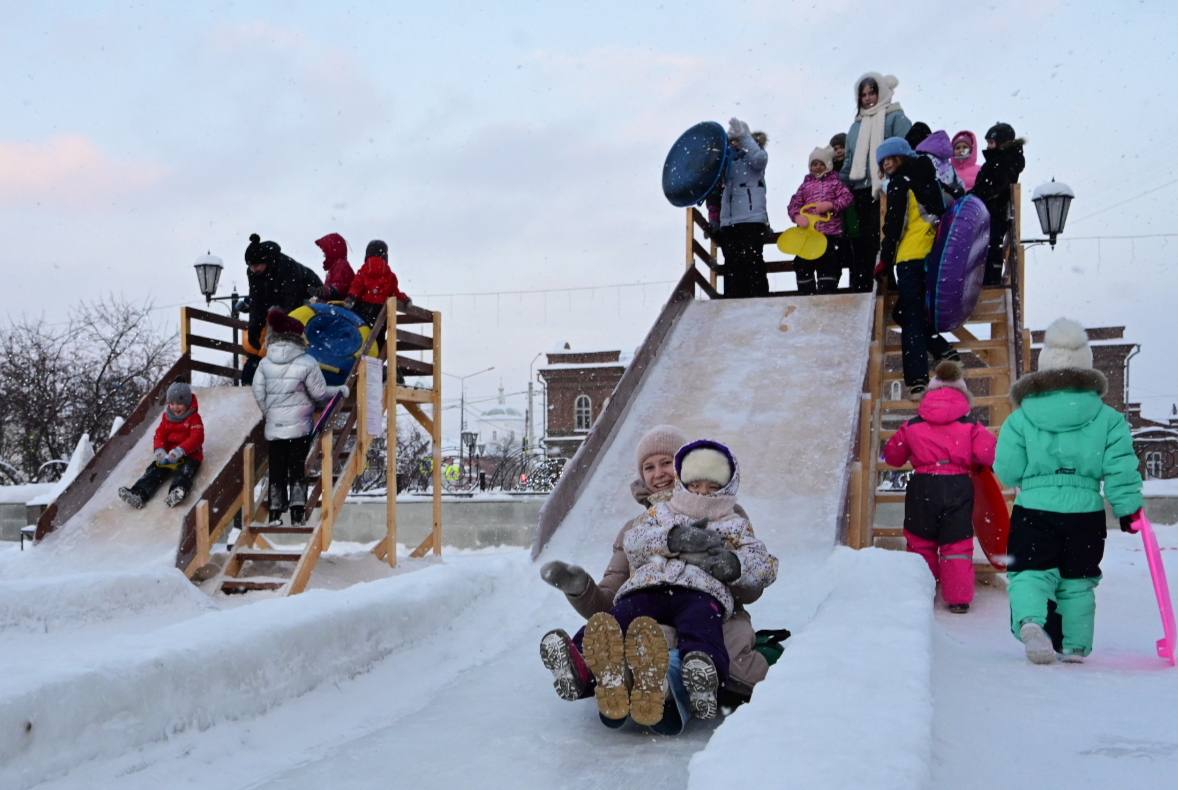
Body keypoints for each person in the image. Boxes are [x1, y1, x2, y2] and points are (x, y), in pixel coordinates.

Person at [538, 426, 779, 730]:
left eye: (666, 463)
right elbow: (612, 595)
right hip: (649, 602)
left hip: (707, 604)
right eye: (648, 467)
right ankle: (588, 670)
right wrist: (580, 588)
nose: (658, 474)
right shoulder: (645, 523)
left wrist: (730, 566)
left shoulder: (728, 515)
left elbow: (755, 580)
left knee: (693, 635)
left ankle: (675, 688)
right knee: (623, 626)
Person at [994, 318, 1143, 664]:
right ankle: (1074, 645)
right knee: (1078, 579)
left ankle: (1032, 622)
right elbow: (1121, 467)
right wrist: (1127, 508)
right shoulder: (1108, 418)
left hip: (1034, 509)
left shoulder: (1021, 418)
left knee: (1030, 571)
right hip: (1085, 513)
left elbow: (1008, 470)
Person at [882, 361, 996, 612]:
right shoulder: (971, 425)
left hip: (923, 485)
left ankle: (922, 590)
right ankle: (958, 599)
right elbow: (989, 455)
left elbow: (893, 456)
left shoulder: (912, 425)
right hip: (958, 484)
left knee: (920, 540)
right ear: (962, 395)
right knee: (956, 544)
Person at [251, 308, 348, 526]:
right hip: (300, 427)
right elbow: (320, 394)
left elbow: (258, 391)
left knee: (276, 468)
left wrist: (270, 411)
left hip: (275, 426)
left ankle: (275, 513)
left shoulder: (265, 363)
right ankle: (296, 513)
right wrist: (340, 390)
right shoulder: (307, 362)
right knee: (296, 468)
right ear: (297, 337)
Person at [874, 137, 953, 398]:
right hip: (932, 253)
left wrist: (884, 259)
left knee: (911, 318)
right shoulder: (928, 177)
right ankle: (943, 349)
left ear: (902, 158)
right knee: (908, 311)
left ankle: (917, 379)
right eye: (882, 161)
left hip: (909, 256)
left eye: (890, 159)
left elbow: (894, 225)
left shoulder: (899, 183)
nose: (886, 165)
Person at [840, 72, 912, 293]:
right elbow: (850, 161)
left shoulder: (895, 117)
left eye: (872, 92)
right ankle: (861, 285)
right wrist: (838, 185)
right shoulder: (856, 126)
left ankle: (883, 285)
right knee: (859, 240)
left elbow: (906, 152)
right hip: (859, 190)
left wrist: (894, 178)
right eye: (863, 95)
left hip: (885, 190)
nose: (868, 98)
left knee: (881, 238)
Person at [242, 233, 323, 384]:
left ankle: (293, 364)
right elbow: (256, 302)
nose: (253, 269)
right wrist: (254, 328)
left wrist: (282, 329)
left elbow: (291, 304)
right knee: (269, 327)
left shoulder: (286, 267)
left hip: (309, 295)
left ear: (265, 261)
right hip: (278, 298)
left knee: (289, 331)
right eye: (250, 266)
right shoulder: (254, 273)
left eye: (256, 265)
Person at [118, 382, 204, 509]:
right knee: (155, 470)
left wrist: (181, 450)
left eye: (179, 404)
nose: (175, 407)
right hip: (169, 455)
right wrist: (159, 449)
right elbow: (160, 434)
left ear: (187, 403)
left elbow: (197, 437)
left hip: (190, 454)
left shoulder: (194, 418)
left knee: (185, 472)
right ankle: (139, 494)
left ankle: (177, 492)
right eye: (172, 403)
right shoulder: (167, 417)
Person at [714, 117, 771, 298]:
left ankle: (759, 299)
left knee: (753, 260)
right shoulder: (727, 162)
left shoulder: (754, 158)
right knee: (732, 263)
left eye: (738, 140)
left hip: (751, 219)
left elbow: (760, 159)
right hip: (729, 221)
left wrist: (746, 138)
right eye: (732, 141)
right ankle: (732, 301)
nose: (735, 144)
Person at [786, 146, 854, 294]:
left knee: (829, 265)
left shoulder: (835, 183)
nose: (817, 167)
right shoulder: (805, 186)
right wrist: (797, 216)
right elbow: (793, 204)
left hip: (830, 235)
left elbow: (847, 197)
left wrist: (831, 205)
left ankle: (826, 292)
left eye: (821, 164)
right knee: (802, 263)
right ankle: (806, 293)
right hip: (809, 235)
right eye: (814, 164)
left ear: (828, 165)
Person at [969, 123, 1026, 286]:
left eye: (991, 142)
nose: (988, 146)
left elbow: (991, 187)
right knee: (989, 246)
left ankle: (989, 280)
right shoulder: (1002, 161)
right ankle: (988, 279)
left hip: (994, 213)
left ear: (1001, 143)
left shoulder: (1002, 162)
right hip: (992, 212)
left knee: (990, 247)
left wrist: (973, 195)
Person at [344, 239, 410, 330]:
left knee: (363, 330)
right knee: (379, 335)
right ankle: (378, 342)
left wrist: (351, 297)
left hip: (365, 310)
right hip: (381, 312)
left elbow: (356, 286)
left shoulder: (363, 272)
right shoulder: (390, 276)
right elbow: (395, 293)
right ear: (385, 256)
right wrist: (405, 299)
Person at [915, 129, 967, 203]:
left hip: (937, 203)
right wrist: (958, 191)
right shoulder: (945, 162)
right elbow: (958, 183)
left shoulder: (926, 159)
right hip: (946, 202)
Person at [313, 232, 355, 301]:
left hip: (338, 307)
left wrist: (326, 291)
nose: (324, 255)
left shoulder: (341, 265)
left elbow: (339, 287)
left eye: (325, 252)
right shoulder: (335, 267)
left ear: (332, 251)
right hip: (334, 306)